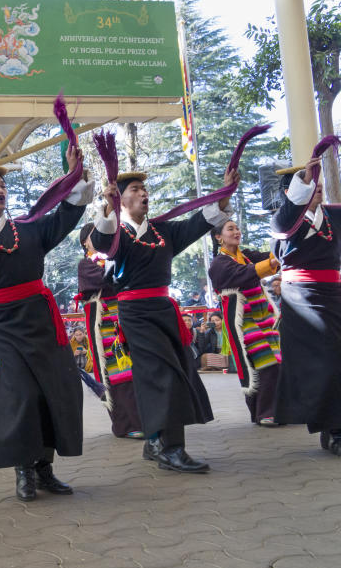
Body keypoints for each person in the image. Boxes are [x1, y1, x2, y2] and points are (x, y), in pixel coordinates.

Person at [0, 146, 92, 501]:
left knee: (57, 392)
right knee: (23, 396)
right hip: (5, 325)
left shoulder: (29, 228)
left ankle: (45, 468)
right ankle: (23, 470)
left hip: (43, 321)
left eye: (2, 186)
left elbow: (66, 216)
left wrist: (75, 176)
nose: (0, 190)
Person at [91, 165, 236, 473]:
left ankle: (154, 441)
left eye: (144, 190)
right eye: (134, 190)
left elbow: (200, 222)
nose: (143, 193)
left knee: (174, 372)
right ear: (121, 200)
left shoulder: (163, 230)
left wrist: (225, 194)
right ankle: (171, 448)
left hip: (164, 311)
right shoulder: (116, 234)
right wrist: (107, 207)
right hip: (136, 313)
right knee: (162, 375)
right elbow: (101, 242)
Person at [270, 158, 341, 453]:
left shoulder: (334, 216)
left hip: (334, 295)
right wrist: (303, 185)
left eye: (319, 183)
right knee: (326, 362)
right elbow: (284, 224)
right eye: (310, 185)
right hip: (302, 299)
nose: (318, 187)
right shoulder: (283, 225)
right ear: (294, 195)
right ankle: (334, 430)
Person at [208, 218, 281, 425]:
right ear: (218, 237)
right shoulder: (219, 264)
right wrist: (271, 263)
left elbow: (269, 257)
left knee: (277, 358)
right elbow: (244, 274)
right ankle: (264, 412)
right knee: (262, 360)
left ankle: (276, 410)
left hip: (264, 314)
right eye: (230, 229)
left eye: (237, 228)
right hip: (243, 318)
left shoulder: (246, 255)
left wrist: (280, 253)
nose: (237, 231)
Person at [77, 225, 144, 439]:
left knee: (136, 369)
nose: (97, 238)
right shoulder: (86, 264)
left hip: (126, 316)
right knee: (117, 371)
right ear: (85, 243)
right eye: (92, 236)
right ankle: (127, 424)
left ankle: (146, 419)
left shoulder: (115, 259)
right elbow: (107, 280)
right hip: (104, 322)